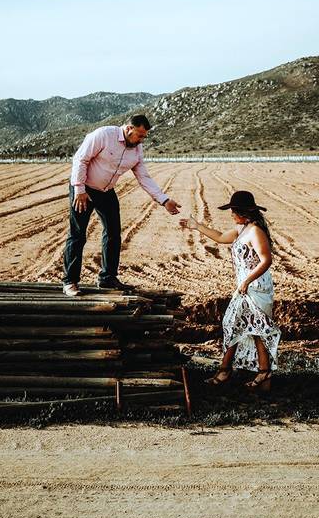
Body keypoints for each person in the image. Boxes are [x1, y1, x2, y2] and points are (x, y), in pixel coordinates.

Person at [63, 114, 181, 296]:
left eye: (144, 136)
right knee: (78, 234)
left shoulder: (137, 149)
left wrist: (164, 200)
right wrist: (79, 189)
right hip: (84, 188)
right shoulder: (103, 135)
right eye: (139, 135)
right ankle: (70, 281)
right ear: (128, 129)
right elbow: (81, 159)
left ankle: (107, 278)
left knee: (113, 233)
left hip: (106, 191)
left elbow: (144, 177)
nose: (142, 140)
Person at [179, 190, 279, 391]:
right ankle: (259, 373)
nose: (231, 214)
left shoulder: (255, 231)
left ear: (243, 211)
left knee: (247, 327)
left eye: (233, 210)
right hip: (246, 287)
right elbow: (220, 237)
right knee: (243, 326)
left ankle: (231, 371)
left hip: (256, 287)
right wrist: (197, 226)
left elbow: (266, 260)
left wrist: (247, 281)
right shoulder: (242, 229)